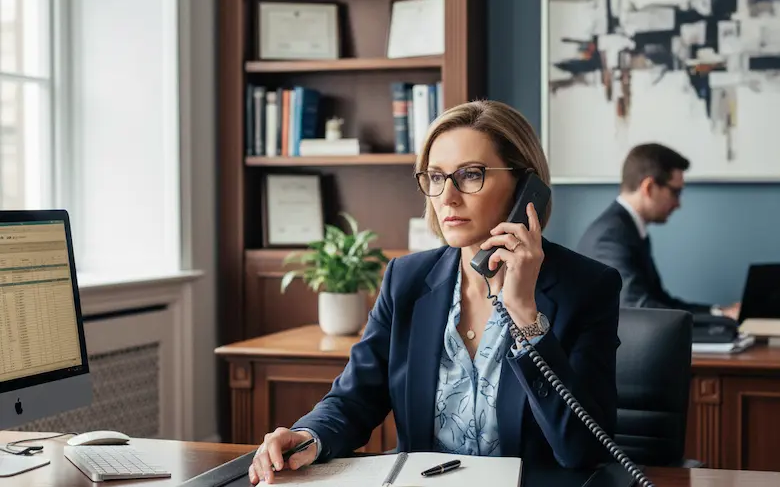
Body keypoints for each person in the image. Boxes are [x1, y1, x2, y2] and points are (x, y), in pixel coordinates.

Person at [249, 101, 623, 485]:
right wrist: (309, 436)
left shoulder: (588, 287)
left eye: (471, 175)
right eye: (436, 177)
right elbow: (355, 398)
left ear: (526, 187)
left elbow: (583, 450)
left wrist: (524, 311)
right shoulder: (407, 279)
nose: (448, 196)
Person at [577, 143, 740, 319]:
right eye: (675, 192)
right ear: (649, 187)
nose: (678, 204)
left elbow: (659, 301)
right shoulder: (610, 238)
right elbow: (639, 308)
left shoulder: (627, 229)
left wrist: (720, 313)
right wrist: (720, 320)